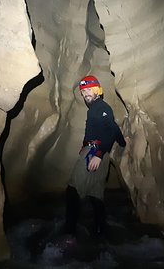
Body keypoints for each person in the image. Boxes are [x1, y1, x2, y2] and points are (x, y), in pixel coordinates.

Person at [64, 75, 128, 238]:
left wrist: (97, 154)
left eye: (89, 90)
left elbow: (110, 131)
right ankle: (101, 231)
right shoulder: (95, 109)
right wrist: (122, 142)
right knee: (95, 194)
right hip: (97, 153)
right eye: (83, 91)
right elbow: (113, 128)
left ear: (98, 90)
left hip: (95, 152)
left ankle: (69, 235)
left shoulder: (101, 107)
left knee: (73, 191)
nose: (86, 94)